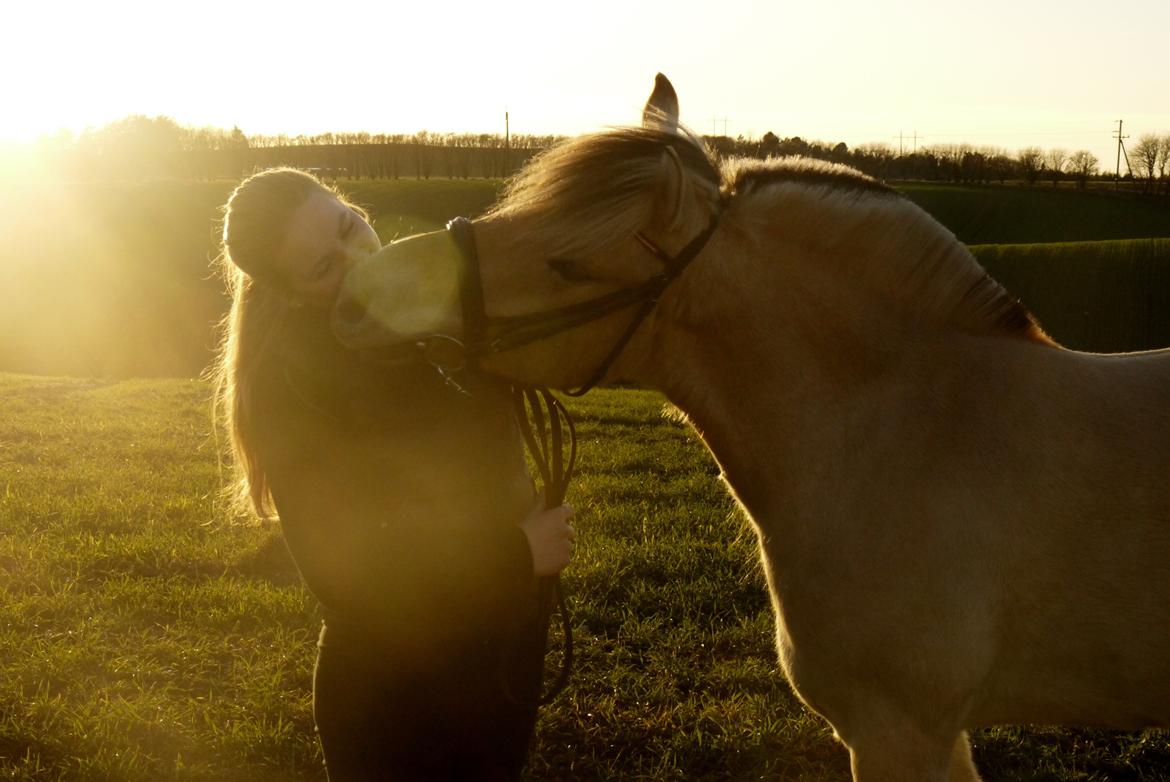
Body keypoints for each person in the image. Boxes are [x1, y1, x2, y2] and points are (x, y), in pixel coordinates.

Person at [211, 167, 575, 780]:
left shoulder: (424, 316)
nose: (359, 257)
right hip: (396, 701)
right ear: (291, 293)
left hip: (495, 664)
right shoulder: (294, 387)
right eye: (324, 267)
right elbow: (346, 575)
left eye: (350, 227)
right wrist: (517, 553)